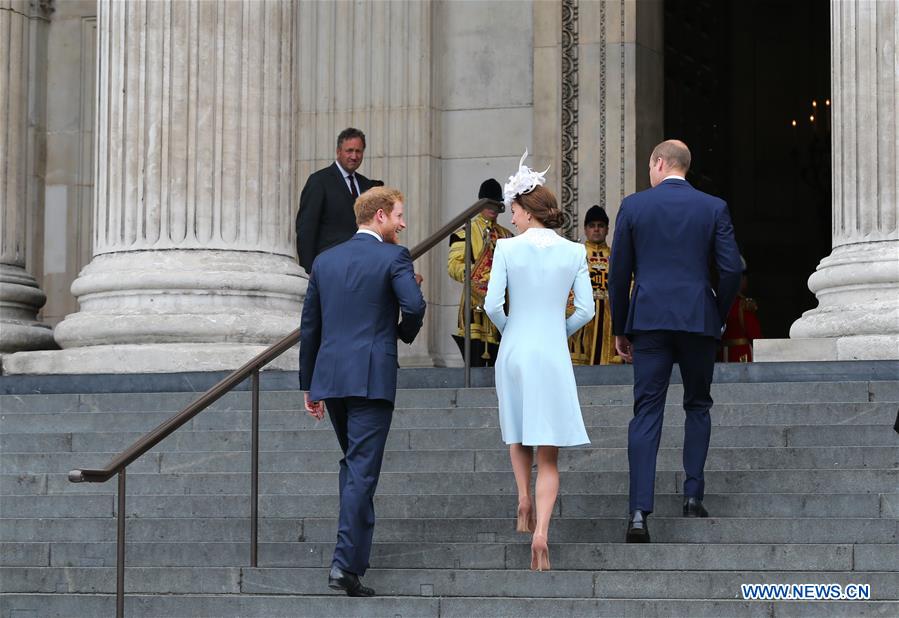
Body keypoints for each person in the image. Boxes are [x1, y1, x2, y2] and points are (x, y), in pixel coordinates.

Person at [609, 139, 741, 543]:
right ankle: (692, 496)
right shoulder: (713, 207)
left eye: (650, 167)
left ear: (660, 163)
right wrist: (715, 315)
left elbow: (618, 273)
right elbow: (732, 268)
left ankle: (638, 513)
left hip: (648, 320)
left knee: (646, 411)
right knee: (698, 404)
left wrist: (620, 326)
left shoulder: (633, 207)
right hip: (698, 318)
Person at [299, 186, 426, 596]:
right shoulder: (394, 256)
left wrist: (309, 384)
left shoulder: (325, 260)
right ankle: (344, 565)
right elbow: (416, 306)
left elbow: (310, 328)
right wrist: (400, 331)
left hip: (332, 378)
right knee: (360, 470)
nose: (404, 224)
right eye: (400, 216)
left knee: (354, 467)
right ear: (381, 217)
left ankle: (352, 558)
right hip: (372, 377)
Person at [484, 151, 595, 571]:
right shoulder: (575, 252)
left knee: (517, 428)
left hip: (514, 347)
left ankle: (522, 497)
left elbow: (493, 305)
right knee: (548, 455)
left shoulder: (507, 250)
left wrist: (512, 327)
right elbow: (586, 311)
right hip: (551, 352)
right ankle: (542, 531)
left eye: (513, 210)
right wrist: (557, 331)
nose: (510, 218)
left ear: (527, 211)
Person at [447, 179, 513, 366]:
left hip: (502, 306)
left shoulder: (508, 236)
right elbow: (454, 266)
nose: (493, 207)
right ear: (480, 202)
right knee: (474, 365)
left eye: (496, 202)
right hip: (474, 305)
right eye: (488, 202)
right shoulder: (464, 232)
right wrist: (480, 276)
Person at [296, 128, 375, 274]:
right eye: (349, 150)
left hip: (362, 268)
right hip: (330, 268)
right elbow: (306, 229)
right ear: (338, 152)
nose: (354, 156)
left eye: (358, 151)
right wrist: (308, 272)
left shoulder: (367, 185)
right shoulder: (319, 181)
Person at [568, 205, 622, 365]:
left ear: (607, 229)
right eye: (592, 226)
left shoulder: (616, 255)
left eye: (600, 226)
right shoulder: (575, 255)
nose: (596, 229)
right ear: (585, 229)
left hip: (610, 316)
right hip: (583, 315)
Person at [718, 257, 762, 362]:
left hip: (721, 354)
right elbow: (755, 335)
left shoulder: (718, 301)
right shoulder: (743, 304)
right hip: (741, 355)